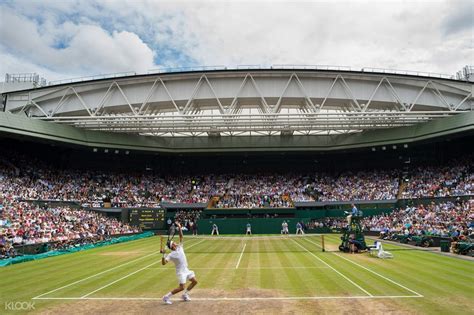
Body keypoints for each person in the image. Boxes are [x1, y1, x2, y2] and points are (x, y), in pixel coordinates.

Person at [161, 222, 198, 304]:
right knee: (181, 287)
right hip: (181, 272)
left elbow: (181, 236)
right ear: (172, 246)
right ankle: (166, 297)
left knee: (194, 281)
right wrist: (163, 255)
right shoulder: (170, 255)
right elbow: (163, 263)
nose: (175, 242)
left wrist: (180, 227)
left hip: (186, 270)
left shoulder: (180, 247)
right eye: (174, 243)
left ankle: (185, 295)